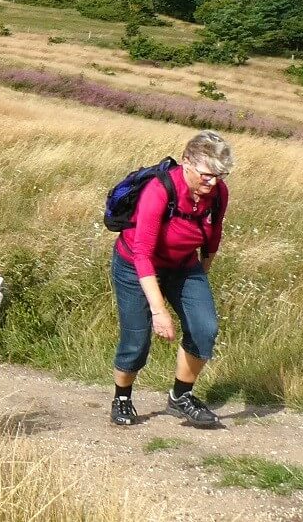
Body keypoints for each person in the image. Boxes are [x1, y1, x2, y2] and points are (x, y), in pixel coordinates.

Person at [110, 130, 232, 429]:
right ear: (186, 162)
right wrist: (159, 310)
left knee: (205, 328)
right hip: (133, 265)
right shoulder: (160, 189)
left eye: (220, 174)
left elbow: (213, 233)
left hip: (183, 265)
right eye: (207, 175)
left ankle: (180, 397)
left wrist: (202, 270)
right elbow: (142, 254)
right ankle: (122, 397)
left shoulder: (218, 193)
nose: (213, 182)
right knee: (136, 339)